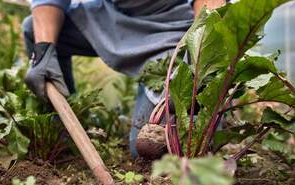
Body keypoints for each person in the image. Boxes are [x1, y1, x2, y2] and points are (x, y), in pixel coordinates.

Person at [22, 0, 226, 159]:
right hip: (115, 19)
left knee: (153, 150)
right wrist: (43, 51)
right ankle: (63, 137)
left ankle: (203, 115)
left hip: (174, 26)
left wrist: (199, 64)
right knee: (35, 28)